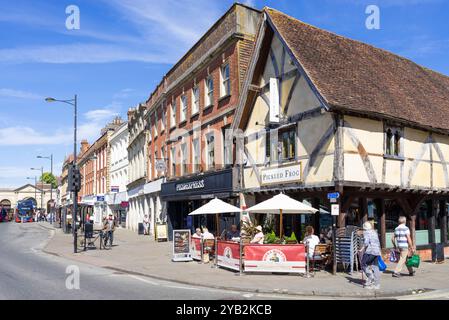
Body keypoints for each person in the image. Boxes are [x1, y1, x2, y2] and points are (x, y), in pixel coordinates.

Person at [360, 221, 381, 290]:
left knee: (363, 263)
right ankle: (377, 284)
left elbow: (366, 242)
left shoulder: (366, 232)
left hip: (370, 251)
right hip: (376, 251)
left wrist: (362, 249)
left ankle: (370, 277)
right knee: (375, 266)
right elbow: (377, 242)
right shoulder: (374, 232)